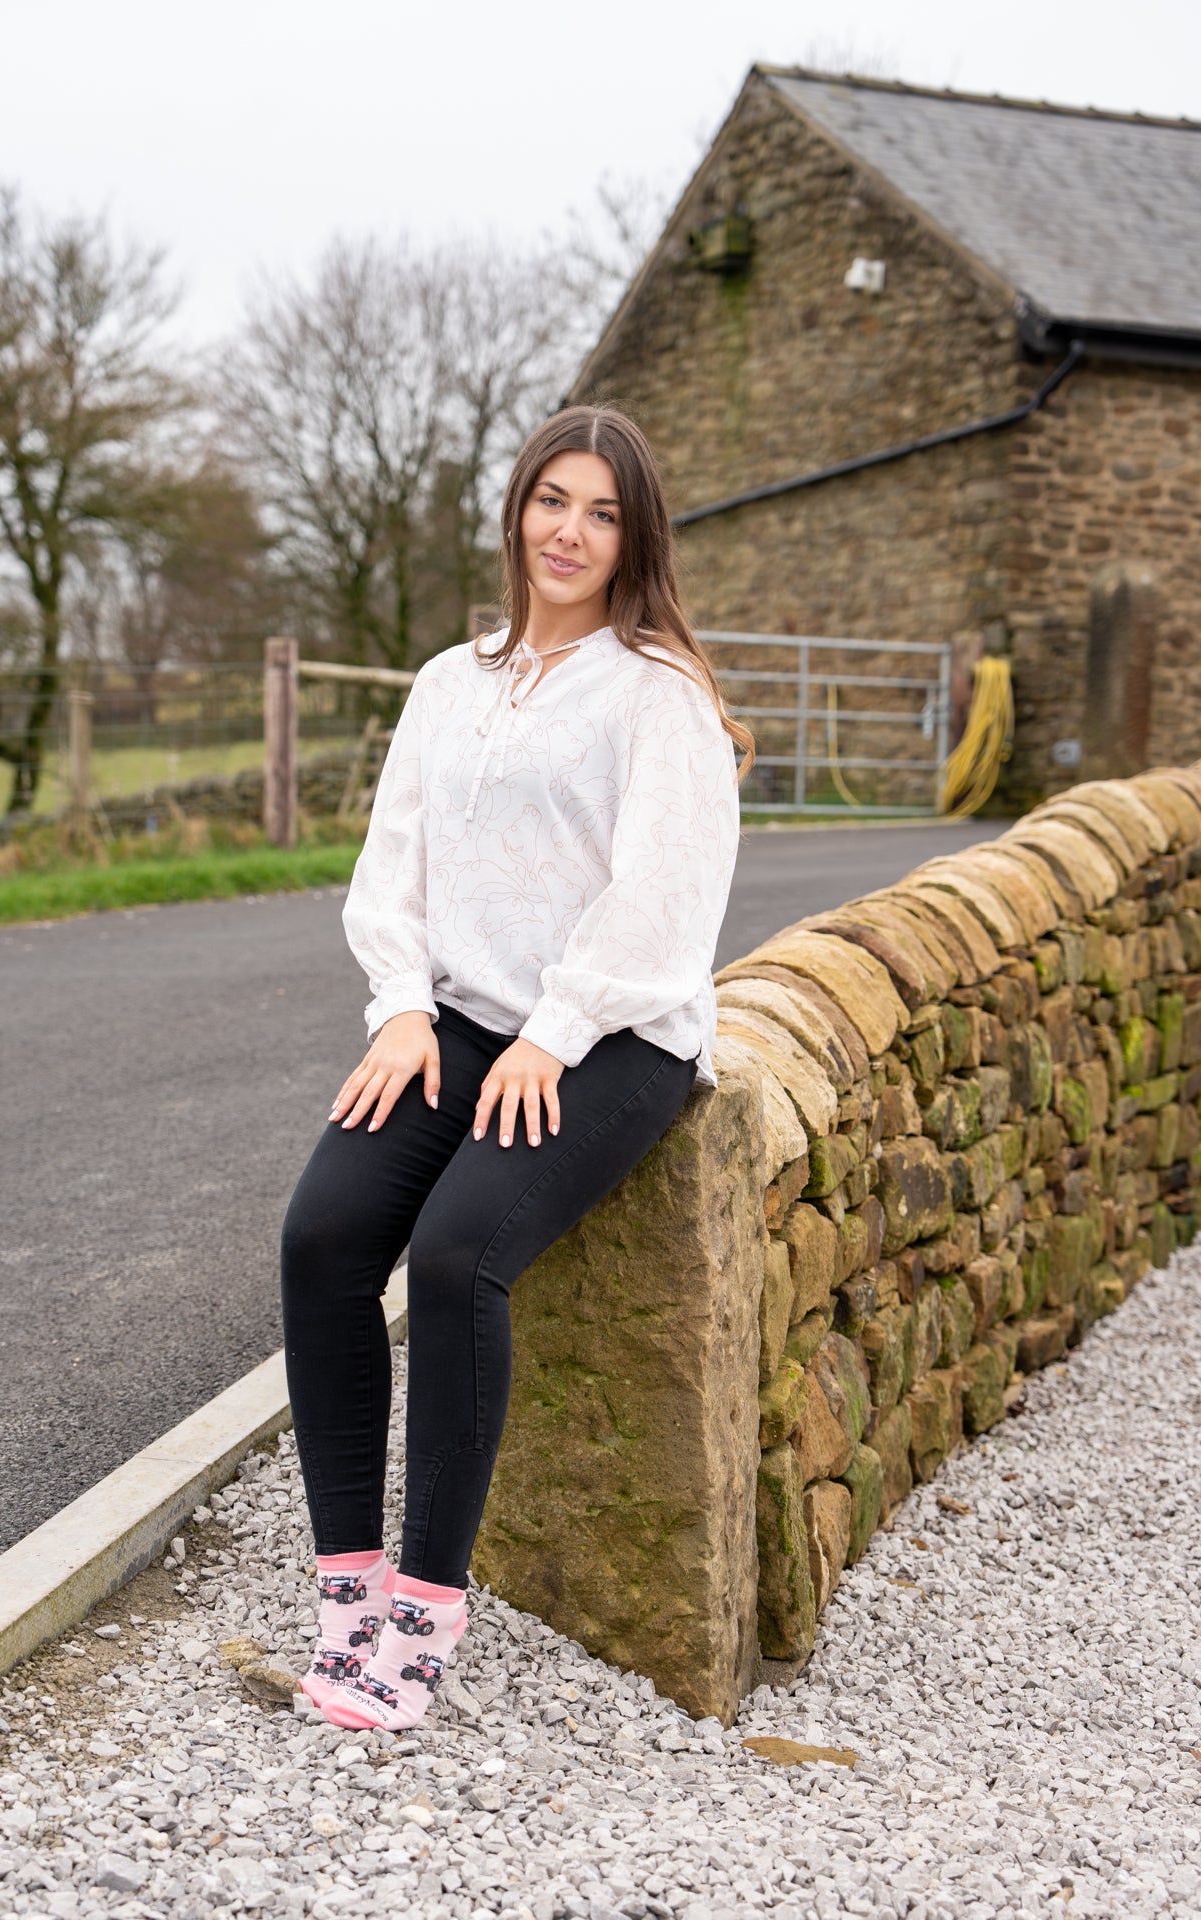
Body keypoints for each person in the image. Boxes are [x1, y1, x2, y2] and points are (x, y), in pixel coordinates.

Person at [280, 403, 755, 1732]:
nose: (571, 531)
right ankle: (347, 1583)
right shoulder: (449, 681)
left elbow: (661, 901)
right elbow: (395, 869)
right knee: (323, 1237)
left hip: (611, 1036)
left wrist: (555, 1031)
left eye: (603, 513)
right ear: (516, 511)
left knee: (452, 1258)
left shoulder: (658, 695)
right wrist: (397, 1008)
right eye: (554, 500)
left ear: (633, 538)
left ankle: (424, 1605)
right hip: (458, 1020)